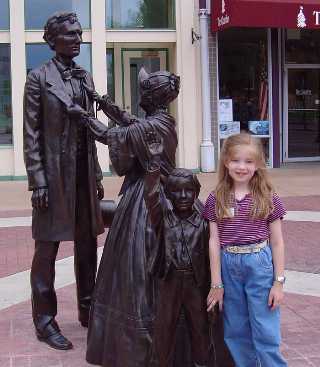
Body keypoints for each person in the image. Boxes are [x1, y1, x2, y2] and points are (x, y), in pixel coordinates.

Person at [77, 67, 180, 367]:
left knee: (135, 268)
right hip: (154, 193)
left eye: (143, 91)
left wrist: (83, 117)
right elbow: (130, 121)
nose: (140, 95)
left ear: (150, 96)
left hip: (147, 199)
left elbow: (112, 135)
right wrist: (104, 102)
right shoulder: (162, 121)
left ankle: (140, 342)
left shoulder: (151, 127)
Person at [23, 12, 104, 350]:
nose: (77, 39)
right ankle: (45, 321)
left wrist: (97, 173)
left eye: (79, 33)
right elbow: (31, 134)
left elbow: (90, 127)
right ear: (52, 40)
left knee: (87, 246)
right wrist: (38, 180)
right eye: (70, 34)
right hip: (53, 178)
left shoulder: (85, 78)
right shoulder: (38, 78)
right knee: (47, 249)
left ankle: (89, 309)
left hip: (83, 174)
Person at [203, 132, 288, 367]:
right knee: (236, 331)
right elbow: (213, 241)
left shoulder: (267, 197)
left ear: (258, 164)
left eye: (249, 161)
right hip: (229, 264)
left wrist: (278, 282)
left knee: (265, 330)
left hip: (259, 264)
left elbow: (278, 242)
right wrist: (216, 283)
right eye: (236, 160)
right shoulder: (216, 198)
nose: (242, 167)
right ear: (226, 162)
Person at [143, 131, 210, 367]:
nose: (183, 195)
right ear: (169, 194)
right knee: (163, 330)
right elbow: (151, 197)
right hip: (169, 282)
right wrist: (153, 163)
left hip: (195, 283)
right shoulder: (164, 218)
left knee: (200, 328)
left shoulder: (204, 222)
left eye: (188, 191)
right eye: (177, 191)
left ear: (196, 193)